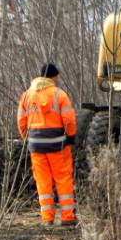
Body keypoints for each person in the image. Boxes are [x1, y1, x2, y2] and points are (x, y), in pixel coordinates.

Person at [17, 62, 78, 226]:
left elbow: (21, 121)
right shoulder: (59, 95)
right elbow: (69, 119)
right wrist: (71, 137)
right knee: (63, 178)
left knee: (42, 181)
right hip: (58, 144)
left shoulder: (27, 95)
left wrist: (27, 138)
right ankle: (67, 217)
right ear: (53, 77)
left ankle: (47, 218)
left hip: (36, 146)